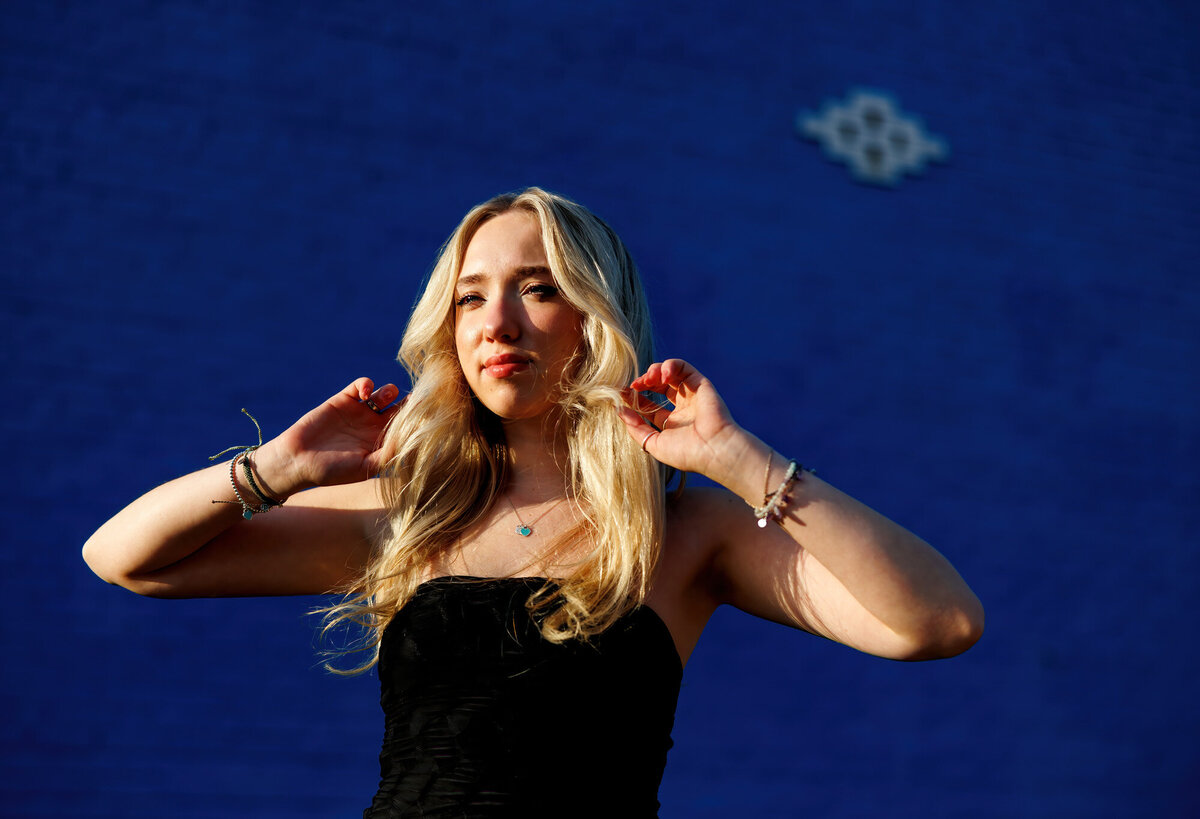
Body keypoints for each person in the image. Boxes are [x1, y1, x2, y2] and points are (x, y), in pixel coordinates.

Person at [83, 187, 984, 817]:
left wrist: (743, 463)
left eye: (538, 288)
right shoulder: (408, 511)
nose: (496, 323)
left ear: (597, 317)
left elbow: (936, 621)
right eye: (470, 297)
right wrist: (271, 470)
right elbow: (122, 559)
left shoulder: (685, 531)